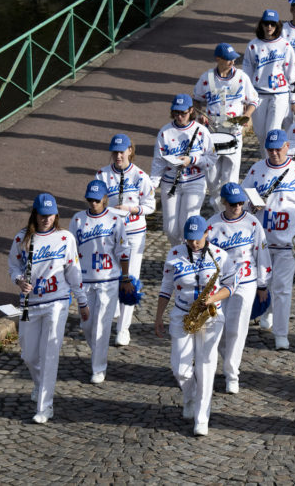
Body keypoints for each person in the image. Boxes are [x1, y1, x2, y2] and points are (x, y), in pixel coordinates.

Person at [8, 193, 89, 424]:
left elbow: (74, 271)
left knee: (50, 352)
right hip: (30, 303)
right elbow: (13, 265)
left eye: (51, 215)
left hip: (57, 301)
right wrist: (18, 280)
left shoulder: (65, 238)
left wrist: (82, 301)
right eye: (43, 215)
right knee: (29, 355)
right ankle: (40, 383)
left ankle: (45, 406)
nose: (47, 220)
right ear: (35, 214)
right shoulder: (22, 238)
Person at [155, 215, 235, 436]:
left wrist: (213, 297)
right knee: (179, 368)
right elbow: (166, 287)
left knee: (205, 367)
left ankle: (202, 417)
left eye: (197, 239)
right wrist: (158, 316)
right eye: (189, 239)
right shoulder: (175, 254)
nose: (193, 243)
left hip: (210, 315)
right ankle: (191, 394)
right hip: (182, 313)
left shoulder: (220, 255)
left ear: (206, 233)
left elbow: (230, 285)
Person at [242, 129, 295, 349]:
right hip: (263, 240)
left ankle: (281, 334)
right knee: (261, 282)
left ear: (287, 147)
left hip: (287, 241)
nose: (274, 153)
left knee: (283, 286)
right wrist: (250, 205)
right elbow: (241, 198)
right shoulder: (257, 170)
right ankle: (265, 311)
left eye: (278, 149)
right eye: (270, 149)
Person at [207, 183, 271, 395]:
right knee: (216, 327)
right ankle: (223, 362)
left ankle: (231, 374)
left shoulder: (252, 223)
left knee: (237, 329)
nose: (237, 207)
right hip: (220, 284)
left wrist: (262, 284)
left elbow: (262, 254)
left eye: (241, 203)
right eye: (233, 203)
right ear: (223, 202)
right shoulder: (212, 225)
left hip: (245, 283)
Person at [95, 133, 155, 346]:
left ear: (130, 150)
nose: (118, 156)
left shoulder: (140, 176)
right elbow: (95, 201)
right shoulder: (102, 175)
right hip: (110, 233)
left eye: (122, 151)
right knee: (110, 275)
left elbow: (150, 205)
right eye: (115, 152)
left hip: (134, 232)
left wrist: (131, 209)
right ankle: (109, 314)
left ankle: (124, 329)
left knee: (129, 277)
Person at [70, 180, 130, 385]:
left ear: (105, 199)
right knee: (87, 325)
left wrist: (125, 277)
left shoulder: (115, 220)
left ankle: (98, 367)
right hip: (85, 280)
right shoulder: (77, 220)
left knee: (102, 326)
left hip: (108, 280)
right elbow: (71, 251)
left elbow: (123, 251)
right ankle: (99, 352)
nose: (93, 203)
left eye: (97, 200)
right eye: (90, 199)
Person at [193, 42, 259, 201]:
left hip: (234, 131)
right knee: (212, 177)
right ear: (218, 59)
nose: (232, 62)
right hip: (212, 132)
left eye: (233, 59)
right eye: (228, 59)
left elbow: (254, 100)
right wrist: (200, 114)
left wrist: (247, 115)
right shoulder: (206, 78)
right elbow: (196, 100)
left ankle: (228, 207)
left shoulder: (242, 77)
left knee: (231, 175)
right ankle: (218, 207)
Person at [150, 93, 217, 246]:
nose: (179, 117)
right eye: (176, 113)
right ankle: (178, 252)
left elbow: (212, 158)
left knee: (187, 225)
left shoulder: (201, 131)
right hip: (170, 182)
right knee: (170, 229)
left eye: (183, 113)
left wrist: (192, 160)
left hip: (194, 182)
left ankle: (186, 261)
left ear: (191, 111)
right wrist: (152, 186)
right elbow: (158, 162)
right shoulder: (164, 132)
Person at [243, 9, 295, 148]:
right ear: (261, 25)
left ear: (277, 26)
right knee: (261, 134)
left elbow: (292, 74)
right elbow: (247, 74)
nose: (269, 27)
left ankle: (274, 164)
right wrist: (246, 98)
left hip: (279, 94)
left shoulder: (285, 46)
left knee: (271, 133)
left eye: (272, 24)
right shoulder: (253, 45)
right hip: (258, 95)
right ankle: (265, 162)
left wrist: (294, 100)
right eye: (266, 24)